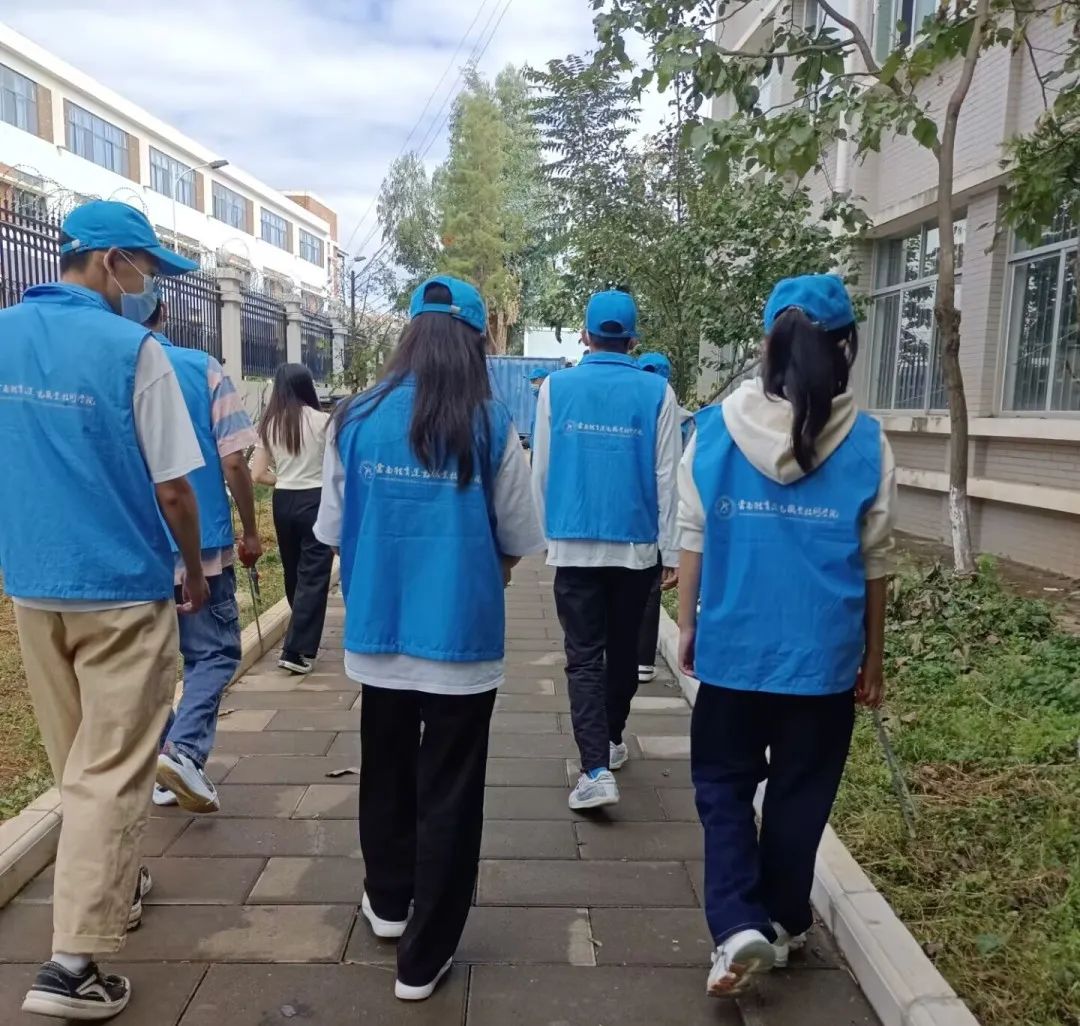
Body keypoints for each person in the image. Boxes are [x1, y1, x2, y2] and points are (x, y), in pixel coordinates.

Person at [0, 200, 208, 1021]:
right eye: (146, 269)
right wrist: (192, 571)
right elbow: (173, 488)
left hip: (34, 585)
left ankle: (114, 883)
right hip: (121, 588)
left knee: (77, 764)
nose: (149, 285)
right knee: (112, 770)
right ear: (109, 261)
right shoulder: (135, 350)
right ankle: (71, 967)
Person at [314, 275, 544, 1003]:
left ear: (408, 334)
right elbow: (518, 537)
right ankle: (424, 955)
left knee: (384, 768)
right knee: (450, 790)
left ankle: (387, 901)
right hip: (461, 637)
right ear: (475, 342)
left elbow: (332, 529)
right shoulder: (491, 423)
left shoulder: (354, 417)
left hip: (379, 633)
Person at [676, 274, 896, 997]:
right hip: (823, 661)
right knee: (801, 795)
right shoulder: (867, 443)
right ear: (844, 348)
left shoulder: (715, 430)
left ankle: (739, 920)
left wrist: (688, 625)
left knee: (722, 785)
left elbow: (692, 536)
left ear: (769, 345)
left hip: (734, 650)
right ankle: (780, 919)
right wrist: (874, 658)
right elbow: (876, 563)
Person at [531, 290, 681, 811]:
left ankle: (595, 767)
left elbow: (542, 468)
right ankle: (611, 738)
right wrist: (672, 551)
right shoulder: (658, 391)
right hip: (636, 548)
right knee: (622, 652)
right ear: (633, 339)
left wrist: (543, 537)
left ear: (585, 335)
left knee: (583, 657)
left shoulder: (556, 387)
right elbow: (667, 476)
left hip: (573, 543)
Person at [145, 300, 262, 814]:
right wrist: (251, 530)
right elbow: (234, 461)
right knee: (213, 653)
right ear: (163, 314)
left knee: (146, 665)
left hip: (132, 545)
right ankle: (182, 752)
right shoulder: (203, 368)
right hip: (201, 543)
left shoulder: (104, 368)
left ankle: (165, 761)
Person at [252, 364, 334, 675]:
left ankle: (298, 637)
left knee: (293, 570)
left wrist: (284, 479)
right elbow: (335, 466)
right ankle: (295, 650)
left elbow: (257, 474)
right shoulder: (323, 421)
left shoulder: (270, 423)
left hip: (283, 500)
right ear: (307, 386)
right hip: (316, 499)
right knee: (314, 574)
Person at [635, 351, 695, 684]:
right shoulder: (687, 421)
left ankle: (623, 654)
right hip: (677, 511)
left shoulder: (636, 410)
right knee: (652, 588)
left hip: (641, 512)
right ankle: (643, 659)